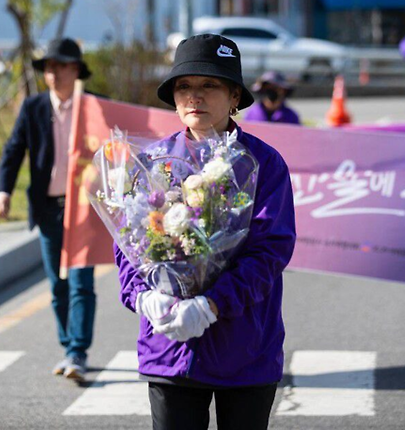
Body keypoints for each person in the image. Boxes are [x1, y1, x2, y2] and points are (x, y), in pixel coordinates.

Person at [114, 34, 296, 429]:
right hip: (169, 346)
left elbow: (270, 252)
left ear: (234, 96)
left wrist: (213, 304)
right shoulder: (151, 163)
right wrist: (143, 298)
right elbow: (126, 245)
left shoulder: (263, 164)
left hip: (244, 348)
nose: (194, 96)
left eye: (209, 85)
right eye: (184, 86)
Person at [0, 38, 96, 382]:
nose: (53, 73)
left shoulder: (94, 107)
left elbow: (123, 142)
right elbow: (13, 151)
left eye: (61, 66)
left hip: (84, 209)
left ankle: (77, 352)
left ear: (76, 70)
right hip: (48, 208)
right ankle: (68, 346)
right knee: (57, 284)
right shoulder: (33, 107)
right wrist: (2, 191)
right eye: (48, 67)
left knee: (81, 282)